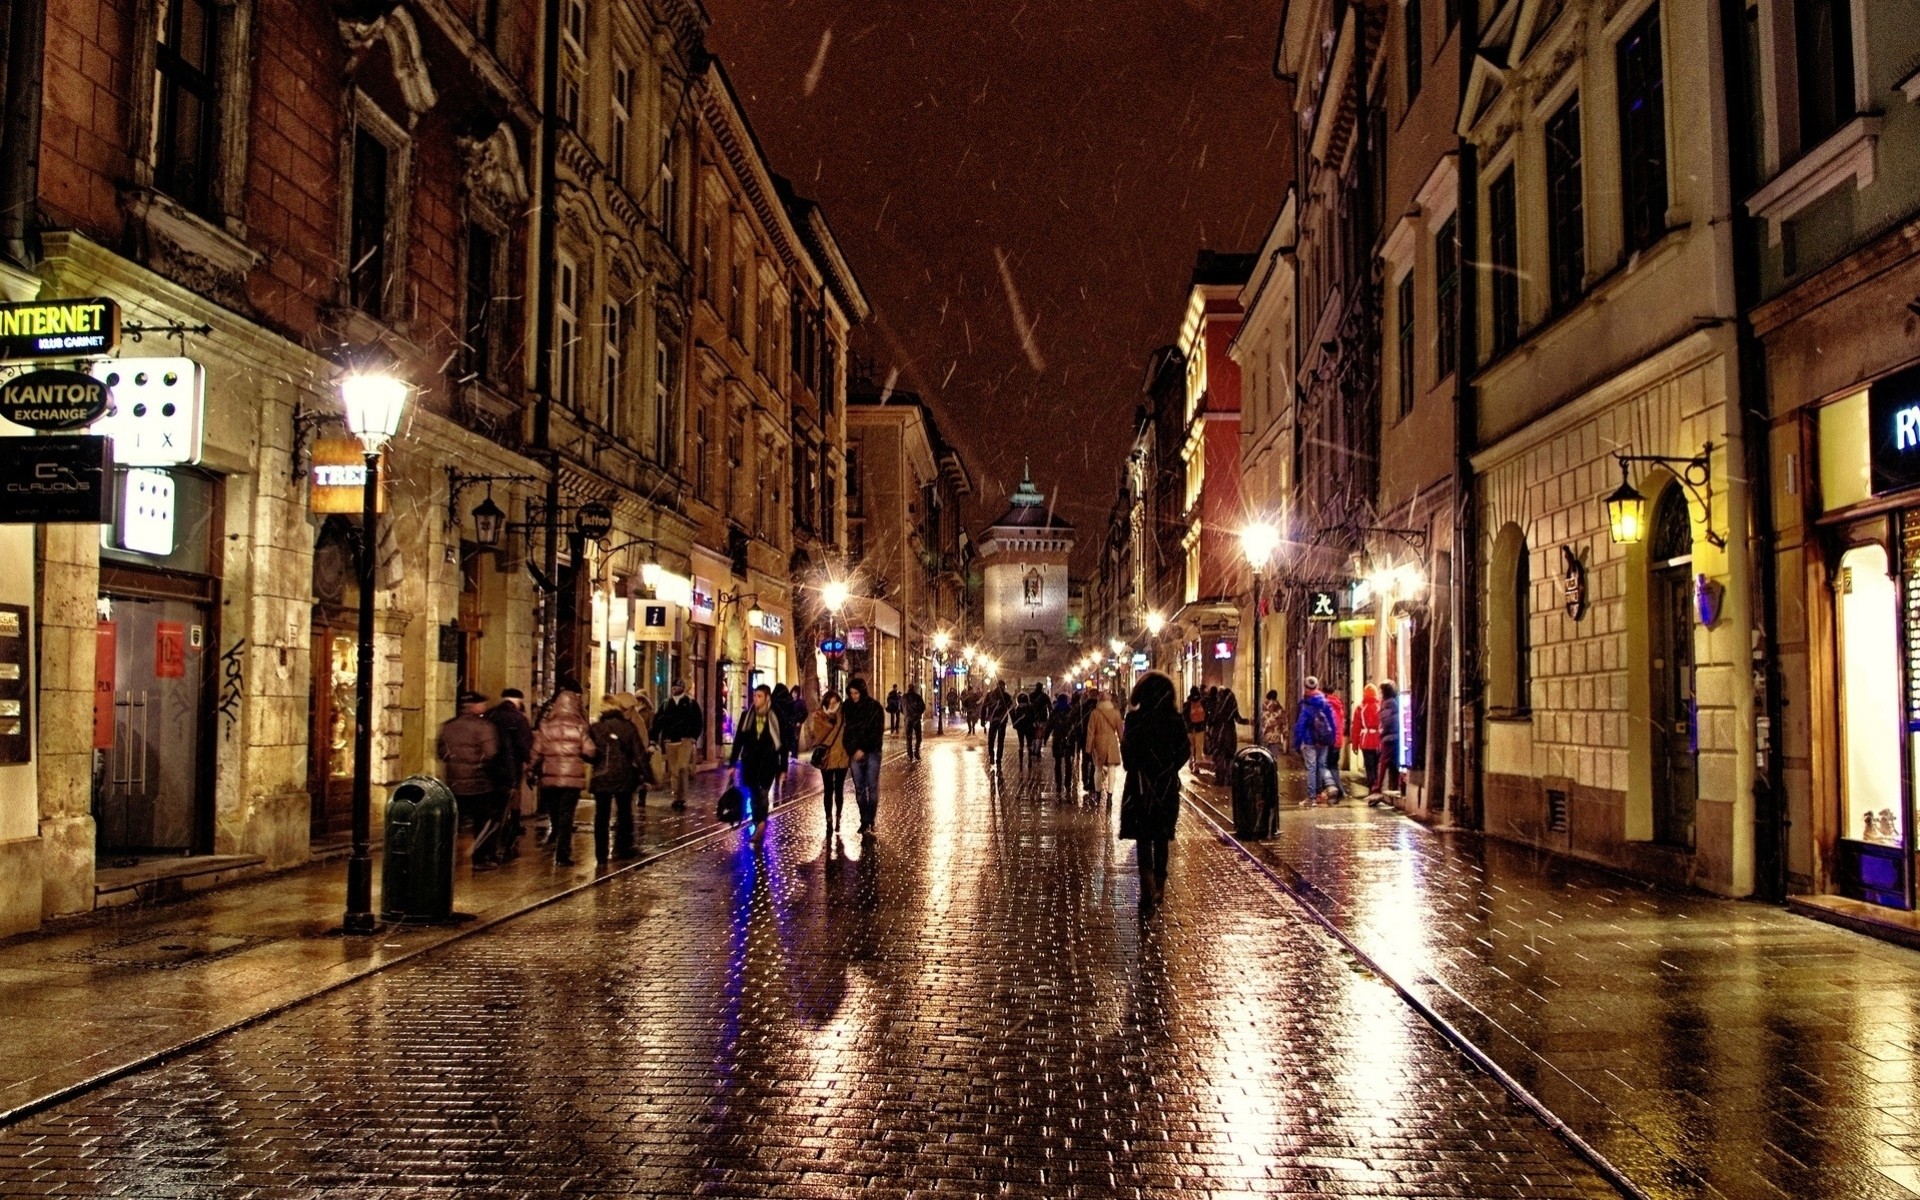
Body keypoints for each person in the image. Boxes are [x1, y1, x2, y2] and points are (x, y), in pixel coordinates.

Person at [1120, 672, 1190, 909]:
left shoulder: (1134, 719)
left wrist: (1140, 767)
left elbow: (1127, 755)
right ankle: (1159, 886)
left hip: (1141, 786)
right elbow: (1184, 752)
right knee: (1161, 837)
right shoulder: (1175, 720)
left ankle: (1147, 884)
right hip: (1165, 787)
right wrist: (1168, 769)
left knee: (1143, 837)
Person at [530, 677, 596, 866]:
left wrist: (530, 771)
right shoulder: (580, 725)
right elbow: (589, 750)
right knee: (567, 814)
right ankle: (563, 853)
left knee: (555, 810)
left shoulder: (546, 725)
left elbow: (536, 751)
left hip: (549, 777)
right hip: (572, 779)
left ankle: (555, 835)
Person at [437, 691, 503, 868]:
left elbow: (441, 752)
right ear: (475, 706)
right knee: (484, 821)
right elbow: (491, 753)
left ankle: (446, 858)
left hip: (454, 782)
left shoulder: (448, 726)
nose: (485, 707)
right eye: (482, 703)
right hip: (478, 783)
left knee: (454, 823)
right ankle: (481, 858)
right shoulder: (484, 726)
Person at [588, 695, 646, 863]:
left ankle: (601, 854)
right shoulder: (628, 727)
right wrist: (647, 775)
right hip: (624, 775)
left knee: (601, 816)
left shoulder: (595, 728)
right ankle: (624, 848)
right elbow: (639, 753)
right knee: (624, 812)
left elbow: (589, 752)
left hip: (601, 776)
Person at [485, 688, 535, 860]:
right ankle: (505, 846)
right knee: (508, 807)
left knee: (493, 809)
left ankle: (490, 845)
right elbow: (524, 746)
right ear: (518, 701)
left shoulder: (490, 715)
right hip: (511, 769)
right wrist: (530, 764)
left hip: (490, 770)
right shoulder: (519, 719)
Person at [729, 685, 783, 839]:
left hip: (768, 762)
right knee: (753, 795)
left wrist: (783, 767)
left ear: (767, 698)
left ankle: (761, 824)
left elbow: (783, 741)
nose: (756, 699)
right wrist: (733, 763)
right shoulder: (747, 716)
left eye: (759, 696)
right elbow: (739, 740)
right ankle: (757, 821)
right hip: (750, 762)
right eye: (755, 696)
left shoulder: (775, 716)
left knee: (763, 793)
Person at [842, 677, 887, 832]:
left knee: (872, 787)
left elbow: (877, 732)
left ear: (862, 692)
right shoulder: (847, 707)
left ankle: (871, 818)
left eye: (856, 693)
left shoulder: (874, 707)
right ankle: (864, 820)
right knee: (859, 788)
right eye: (851, 693)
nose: (854, 696)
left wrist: (864, 749)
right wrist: (852, 750)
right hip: (854, 754)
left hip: (872, 752)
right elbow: (845, 732)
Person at [805, 689, 851, 830]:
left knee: (839, 789)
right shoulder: (818, 716)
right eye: (830, 703)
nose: (833, 706)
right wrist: (830, 721)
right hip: (827, 758)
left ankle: (838, 815)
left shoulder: (844, 716)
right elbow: (817, 738)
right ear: (825, 703)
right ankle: (828, 818)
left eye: (836, 703)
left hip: (842, 757)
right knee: (828, 789)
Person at [653, 680, 702, 810]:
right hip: (670, 741)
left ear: (682, 689)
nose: (674, 689)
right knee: (674, 771)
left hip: (684, 740)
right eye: (673, 687)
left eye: (677, 687)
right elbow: (657, 722)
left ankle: (682, 797)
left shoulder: (691, 703)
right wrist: (654, 739)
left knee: (682, 767)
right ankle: (676, 796)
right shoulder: (666, 704)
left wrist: (693, 737)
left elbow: (698, 721)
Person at [1291, 677, 1340, 805]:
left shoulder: (1305, 704)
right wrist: (1333, 738)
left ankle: (1312, 797)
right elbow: (1332, 721)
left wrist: (1296, 743)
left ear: (1305, 687)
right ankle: (1329, 784)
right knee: (1322, 765)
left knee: (1312, 768)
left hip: (1310, 740)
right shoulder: (1324, 702)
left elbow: (1300, 725)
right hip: (1324, 739)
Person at [1086, 687, 1123, 804]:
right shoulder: (1116, 712)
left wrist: (1089, 747)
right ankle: (1110, 796)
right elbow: (1120, 731)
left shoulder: (1095, 713)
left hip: (1099, 742)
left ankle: (1098, 793)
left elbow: (1090, 731)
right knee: (1112, 769)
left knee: (1098, 768)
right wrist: (1123, 743)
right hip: (1112, 742)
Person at [1208, 687, 1249, 781]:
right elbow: (1238, 719)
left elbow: (1211, 720)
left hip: (1218, 734)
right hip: (1229, 734)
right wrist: (1248, 721)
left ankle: (1220, 779)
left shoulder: (1217, 706)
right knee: (1229, 757)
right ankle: (1229, 778)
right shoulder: (1231, 707)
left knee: (1219, 757)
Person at [1375, 681, 1403, 805]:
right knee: (1393, 764)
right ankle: (1395, 785)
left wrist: (1382, 734)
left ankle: (1377, 787)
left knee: (1384, 763)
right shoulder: (1395, 704)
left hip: (1389, 738)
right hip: (1396, 737)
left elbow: (1386, 724)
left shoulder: (1387, 706)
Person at [1355, 685, 1383, 800]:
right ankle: (1377, 786)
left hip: (1366, 740)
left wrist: (1355, 744)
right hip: (1378, 740)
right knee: (1377, 765)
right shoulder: (1380, 706)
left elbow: (1356, 727)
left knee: (1369, 765)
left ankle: (1371, 786)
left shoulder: (1360, 708)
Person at [981, 680, 1012, 768]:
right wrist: (1015, 721)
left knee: (991, 739)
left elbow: (984, 707)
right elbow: (1011, 709)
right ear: (1003, 686)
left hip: (993, 720)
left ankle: (992, 756)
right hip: (1002, 720)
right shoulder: (1006, 696)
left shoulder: (990, 695)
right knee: (1000, 740)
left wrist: (983, 719)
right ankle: (999, 758)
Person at [1050, 692, 1076, 792]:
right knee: (1068, 762)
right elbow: (1074, 725)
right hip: (1068, 739)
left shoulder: (1055, 711)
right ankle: (1068, 783)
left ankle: (1058, 783)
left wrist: (1045, 737)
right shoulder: (1070, 711)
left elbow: (1050, 724)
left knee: (1058, 762)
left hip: (1057, 738)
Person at [1011, 690, 1039, 769]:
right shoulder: (1030, 708)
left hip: (1020, 728)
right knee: (1029, 745)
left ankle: (1020, 762)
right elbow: (1034, 718)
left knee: (1021, 744)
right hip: (1029, 728)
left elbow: (1014, 719)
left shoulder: (1017, 709)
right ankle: (1029, 760)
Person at [1184, 688, 1209, 776]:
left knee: (1190, 747)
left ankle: (1190, 762)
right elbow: (1206, 716)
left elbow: (1185, 717)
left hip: (1190, 729)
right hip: (1200, 728)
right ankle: (1197, 766)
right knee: (1199, 747)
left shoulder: (1187, 704)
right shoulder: (1202, 703)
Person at [902, 684, 927, 761]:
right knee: (918, 737)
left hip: (908, 719)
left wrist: (906, 715)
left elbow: (900, 708)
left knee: (908, 738)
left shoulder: (904, 697)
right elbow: (923, 707)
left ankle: (910, 755)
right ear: (914, 689)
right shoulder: (918, 697)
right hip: (916, 719)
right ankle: (916, 752)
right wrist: (918, 714)